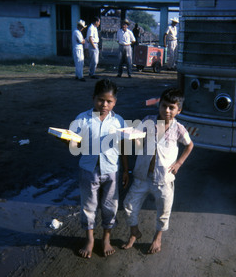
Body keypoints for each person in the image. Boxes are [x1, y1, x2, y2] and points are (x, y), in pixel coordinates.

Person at [122, 87, 194, 254]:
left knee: (164, 210)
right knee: (128, 205)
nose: (166, 110)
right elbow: (136, 135)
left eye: (171, 107)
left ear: (179, 110)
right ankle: (134, 233)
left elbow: (190, 145)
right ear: (158, 106)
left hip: (164, 179)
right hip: (142, 176)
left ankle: (157, 238)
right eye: (163, 106)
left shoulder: (179, 129)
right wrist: (130, 134)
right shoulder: (148, 121)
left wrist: (179, 163)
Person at [69, 79, 129, 258]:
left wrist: (125, 170)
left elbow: (123, 148)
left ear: (115, 102)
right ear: (93, 98)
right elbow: (74, 145)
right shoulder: (82, 119)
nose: (104, 104)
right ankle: (90, 239)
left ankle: (106, 238)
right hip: (88, 170)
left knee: (110, 205)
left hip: (111, 170)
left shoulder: (118, 121)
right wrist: (68, 142)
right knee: (89, 206)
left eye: (109, 101)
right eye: (100, 100)